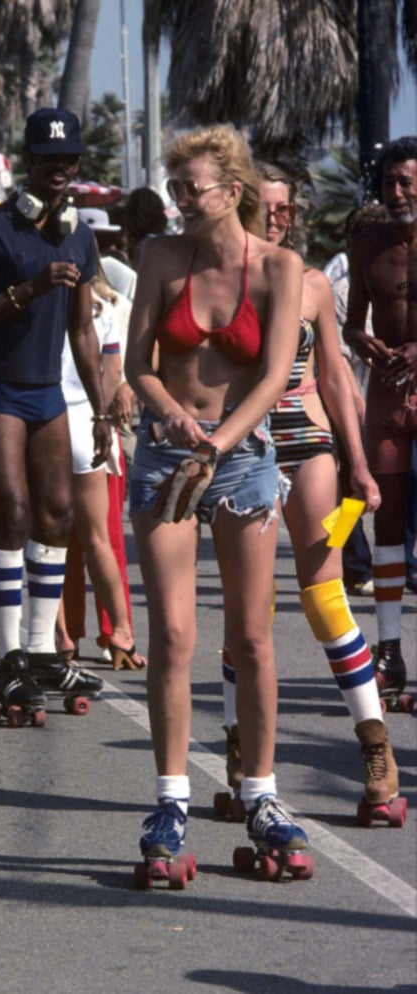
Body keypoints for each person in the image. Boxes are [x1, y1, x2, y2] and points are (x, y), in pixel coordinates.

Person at [125, 124, 311, 874]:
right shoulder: (160, 256)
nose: (179, 201)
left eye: (190, 189)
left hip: (240, 462)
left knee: (253, 637)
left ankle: (262, 793)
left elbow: (272, 376)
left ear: (232, 192)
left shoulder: (279, 266)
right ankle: (171, 799)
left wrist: (220, 441)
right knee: (171, 635)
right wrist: (171, 412)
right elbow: (138, 362)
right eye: (173, 189)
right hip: (168, 457)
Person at [216, 163, 398, 821]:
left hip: (307, 443)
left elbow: (335, 382)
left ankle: (376, 748)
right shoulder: (221, 280)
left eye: (287, 207)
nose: (279, 216)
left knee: (324, 597)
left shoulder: (315, 284)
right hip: (244, 448)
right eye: (267, 206)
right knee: (247, 611)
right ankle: (241, 751)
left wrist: (359, 464)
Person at [0, 107, 108, 716]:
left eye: (68, 160)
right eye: (48, 161)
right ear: (29, 163)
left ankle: (45, 653)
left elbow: (84, 330)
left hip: (48, 390)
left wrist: (101, 408)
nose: (60, 170)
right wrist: (28, 289)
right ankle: (9, 658)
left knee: (59, 510)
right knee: (13, 508)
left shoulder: (79, 234)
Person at [344, 136, 417, 704]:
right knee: (385, 523)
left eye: (406, 182)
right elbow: (351, 324)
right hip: (388, 398)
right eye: (389, 183)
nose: (395, 193)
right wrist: (363, 342)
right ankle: (389, 650)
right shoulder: (366, 243)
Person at [55, 267, 146, 670]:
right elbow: (112, 374)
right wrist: (103, 419)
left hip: (48, 425)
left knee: (49, 539)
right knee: (101, 539)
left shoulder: (40, 302)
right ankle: (119, 632)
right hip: (91, 426)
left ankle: (60, 636)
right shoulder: (107, 305)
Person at [324, 204, 390, 596]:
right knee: (350, 487)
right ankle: (349, 562)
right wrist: (353, 400)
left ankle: (402, 563)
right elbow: (337, 358)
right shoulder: (341, 285)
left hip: (393, 401)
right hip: (355, 401)